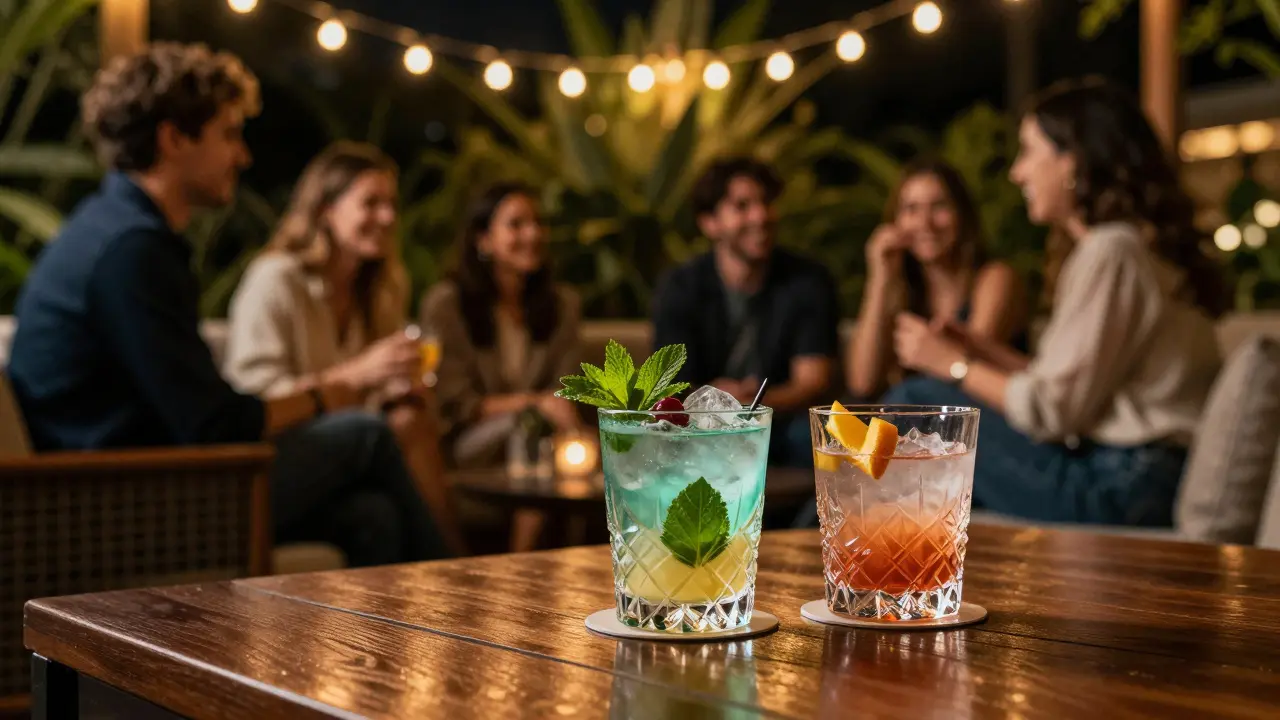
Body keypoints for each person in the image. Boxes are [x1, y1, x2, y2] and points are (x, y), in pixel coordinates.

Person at [5, 42, 449, 566]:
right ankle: (460, 602)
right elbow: (216, 427)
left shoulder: (111, 230)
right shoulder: (130, 251)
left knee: (372, 515)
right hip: (112, 503)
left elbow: (197, 410)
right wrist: (338, 389)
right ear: (173, 138)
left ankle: (382, 645)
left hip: (133, 481)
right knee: (366, 434)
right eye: (229, 135)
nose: (244, 156)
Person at [884, 78, 1224, 526]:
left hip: (1119, 485)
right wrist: (979, 349)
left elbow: (1051, 412)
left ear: (1072, 161)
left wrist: (951, 364)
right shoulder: (1132, 247)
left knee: (916, 402)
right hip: (1137, 477)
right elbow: (1067, 389)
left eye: (1028, 151)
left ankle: (814, 547)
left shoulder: (1111, 251)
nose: (1017, 172)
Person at [222, 141, 464, 554]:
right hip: (274, 459)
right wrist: (357, 376)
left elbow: (378, 388)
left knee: (377, 514)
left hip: (346, 462)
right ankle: (458, 567)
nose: (387, 217)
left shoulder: (382, 289)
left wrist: (397, 390)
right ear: (326, 211)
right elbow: (253, 403)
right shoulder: (276, 279)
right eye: (370, 203)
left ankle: (410, 605)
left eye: (391, 204)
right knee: (369, 431)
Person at [420, 183, 582, 550]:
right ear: (484, 240)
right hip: (469, 440)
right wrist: (536, 404)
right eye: (516, 224)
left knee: (557, 437)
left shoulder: (562, 305)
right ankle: (520, 559)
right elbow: (458, 404)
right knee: (533, 424)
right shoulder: (448, 304)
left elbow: (567, 386)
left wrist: (555, 412)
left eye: (538, 223)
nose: (532, 234)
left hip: (543, 436)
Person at [652, 157, 839, 467]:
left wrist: (747, 404)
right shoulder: (680, 287)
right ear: (709, 222)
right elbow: (671, 385)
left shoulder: (808, 281)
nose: (760, 216)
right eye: (742, 206)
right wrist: (718, 401)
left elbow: (812, 381)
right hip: (701, 428)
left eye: (765, 202)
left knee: (814, 440)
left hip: (782, 427)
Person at [848, 159, 1025, 399]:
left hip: (983, 418)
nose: (925, 223)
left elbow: (962, 370)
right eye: (912, 209)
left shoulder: (995, 277)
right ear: (896, 220)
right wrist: (880, 277)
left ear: (962, 214)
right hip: (922, 427)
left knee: (907, 396)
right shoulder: (902, 290)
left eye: (939, 206)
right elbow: (862, 383)